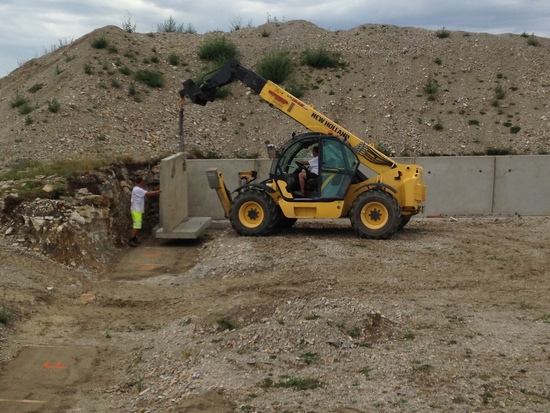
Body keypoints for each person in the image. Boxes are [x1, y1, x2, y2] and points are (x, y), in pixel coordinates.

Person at [128, 177, 162, 247]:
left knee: (137, 224)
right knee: (136, 225)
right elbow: (149, 194)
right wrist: (159, 191)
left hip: (136, 209)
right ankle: (131, 239)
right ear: (141, 182)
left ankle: (134, 238)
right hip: (136, 210)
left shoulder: (136, 189)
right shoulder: (137, 189)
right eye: (142, 182)